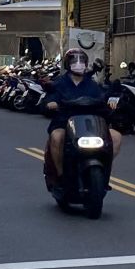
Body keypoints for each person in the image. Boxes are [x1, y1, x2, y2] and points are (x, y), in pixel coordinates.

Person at [44, 48, 121, 177]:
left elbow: (104, 97)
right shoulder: (59, 83)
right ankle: (60, 174)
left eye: (81, 61)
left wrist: (112, 101)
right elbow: (49, 99)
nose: (78, 64)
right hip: (65, 123)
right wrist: (50, 104)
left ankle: (105, 171)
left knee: (116, 137)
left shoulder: (92, 84)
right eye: (74, 61)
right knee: (56, 137)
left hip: (92, 125)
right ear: (68, 64)